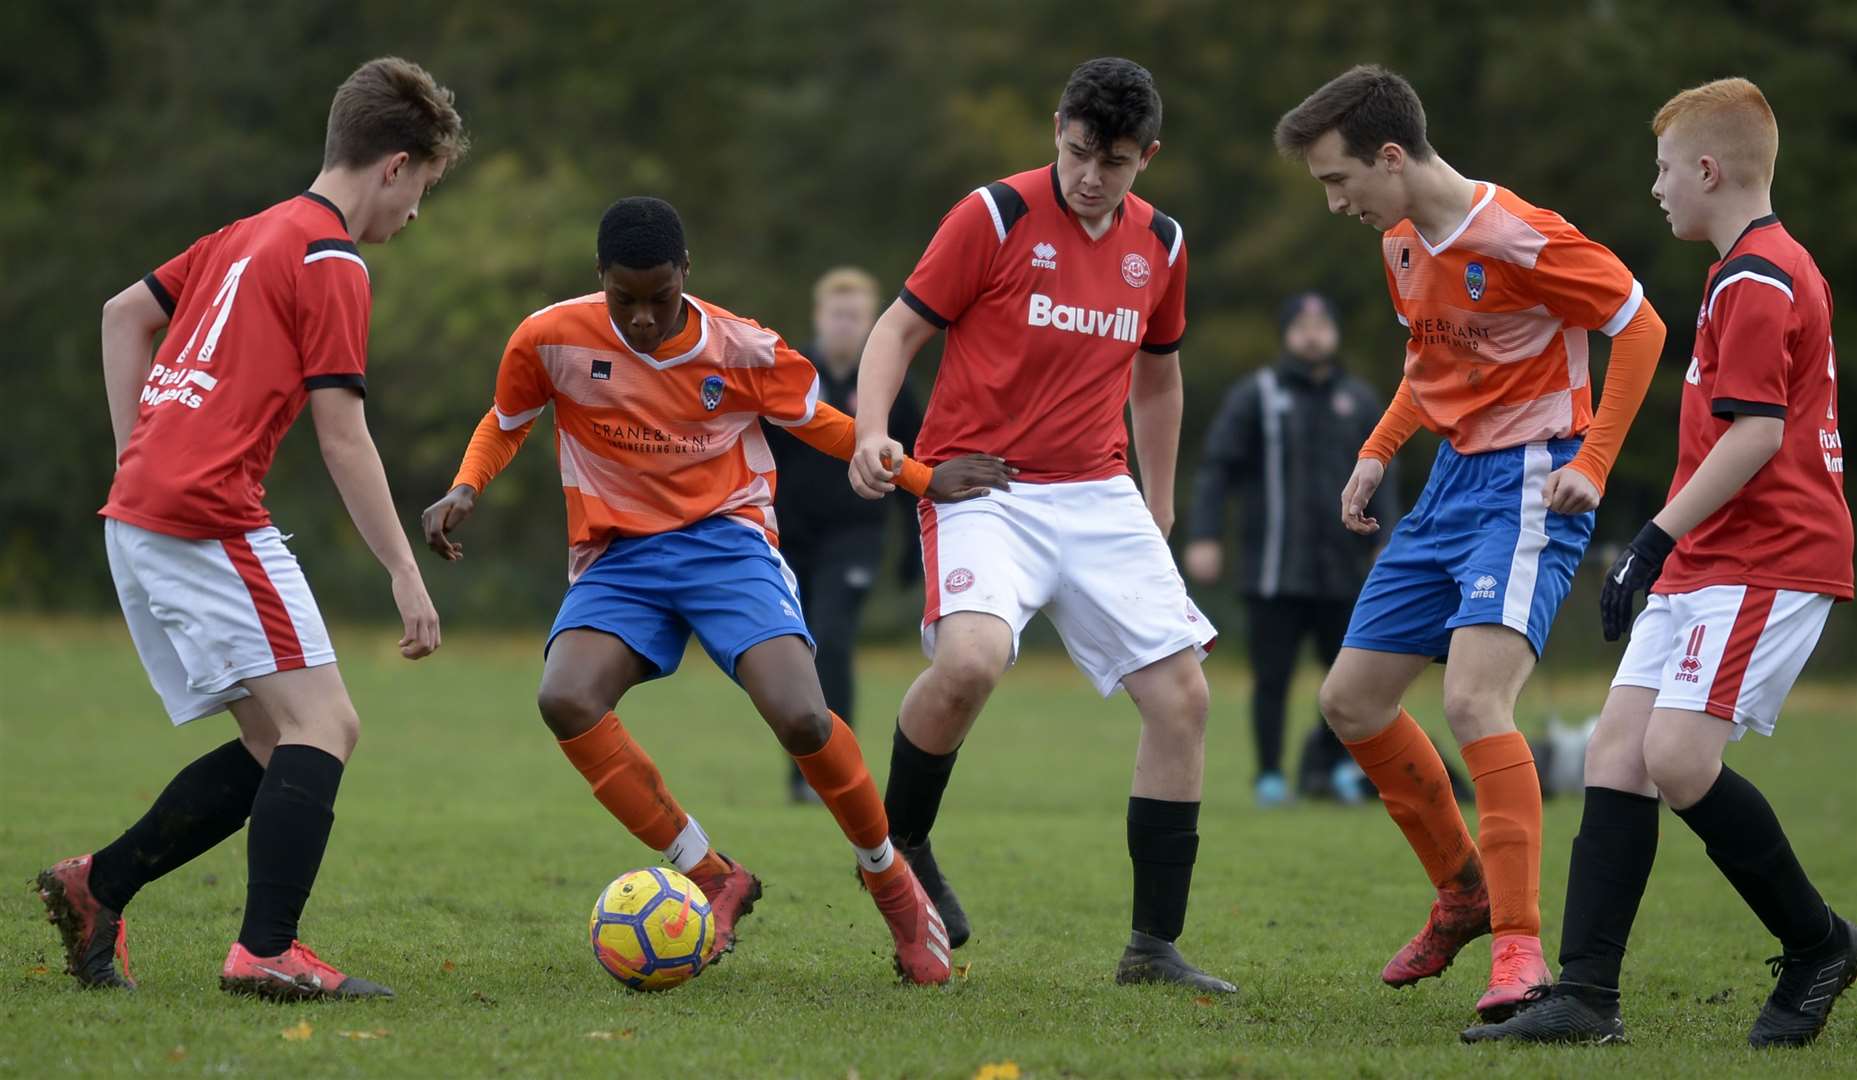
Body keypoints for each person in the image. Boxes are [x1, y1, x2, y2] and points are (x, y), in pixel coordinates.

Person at [418, 197, 1011, 985]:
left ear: (685, 276)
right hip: (619, 555)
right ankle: (709, 872)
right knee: (564, 698)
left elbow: (828, 426)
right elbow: (507, 419)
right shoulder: (548, 336)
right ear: (599, 279)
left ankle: (890, 881)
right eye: (622, 298)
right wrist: (465, 487)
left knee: (802, 715)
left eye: (657, 298)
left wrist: (925, 479)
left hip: (725, 544)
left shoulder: (742, 346)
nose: (639, 318)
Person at [35, 58, 466, 1000]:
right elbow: (344, 435)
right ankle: (267, 950)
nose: (415, 214)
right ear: (394, 166)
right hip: (204, 519)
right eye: (424, 189)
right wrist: (403, 569)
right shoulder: (329, 258)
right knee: (327, 725)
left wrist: (133, 452)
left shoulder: (246, 233)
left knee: (284, 749)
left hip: (145, 516)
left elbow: (121, 317)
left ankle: (95, 886)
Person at [1273, 65, 1668, 1021]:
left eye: (1339, 181)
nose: (1335, 204)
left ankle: (1522, 952)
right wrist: (1376, 451)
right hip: (1450, 483)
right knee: (1350, 701)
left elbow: (1641, 326)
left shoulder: (1519, 234)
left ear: (1392, 156)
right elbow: (1435, 360)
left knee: (1472, 696)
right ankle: (1463, 892)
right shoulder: (1401, 239)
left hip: (1530, 480)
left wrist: (1599, 459)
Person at [1466, 77, 1853, 1048]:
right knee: (1617, 756)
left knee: (1679, 758)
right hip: (1711, 557)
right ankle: (1588, 995)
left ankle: (1819, 945)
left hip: (1767, 556)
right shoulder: (1744, 272)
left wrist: (1654, 536)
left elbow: (1758, 436)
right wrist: (1670, 547)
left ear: (1709, 170)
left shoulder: (1762, 277)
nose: (1657, 189)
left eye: (1665, 169)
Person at [850, 57, 1232, 993]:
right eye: (1074, 152)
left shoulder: (1164, 244)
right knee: (971, 662)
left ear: (1148, 156)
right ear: (1055, 127)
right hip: (982, 487)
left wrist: (1161, 495)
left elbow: (1158, 371)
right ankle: (896, 847)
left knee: (1183, 699)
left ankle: (1152, 950)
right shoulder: (994, 216)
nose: (1089, 176)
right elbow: (898, 330)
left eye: (1112, 161)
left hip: (1100, 494)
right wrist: (871, 435)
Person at [1186, 291, 1399, 807]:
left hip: (1344, 571)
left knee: (1349, 681)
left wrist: (1386, 545)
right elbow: (1216, 468)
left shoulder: (1362, 400)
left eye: (1322, 322)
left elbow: (1385, 477)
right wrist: (1204, 535)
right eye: (1302, 324)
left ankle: (1339, 769)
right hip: (1273, 571)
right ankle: (1270, 777)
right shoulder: (1255, 396)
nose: (1313, 333)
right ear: (1285, 332)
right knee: (1272, 680)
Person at [767, 267, 924, 804]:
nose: (845, 324)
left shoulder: (886, 384)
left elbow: (911, 462)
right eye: (836, 314)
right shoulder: (793, 375)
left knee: (831, 641)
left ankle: (835, 776)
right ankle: (801, 771)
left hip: (857, 535)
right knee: (794, 651)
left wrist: (915, 547)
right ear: (818, 317)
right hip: (789, 538)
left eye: (856, 315)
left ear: (872, 320)